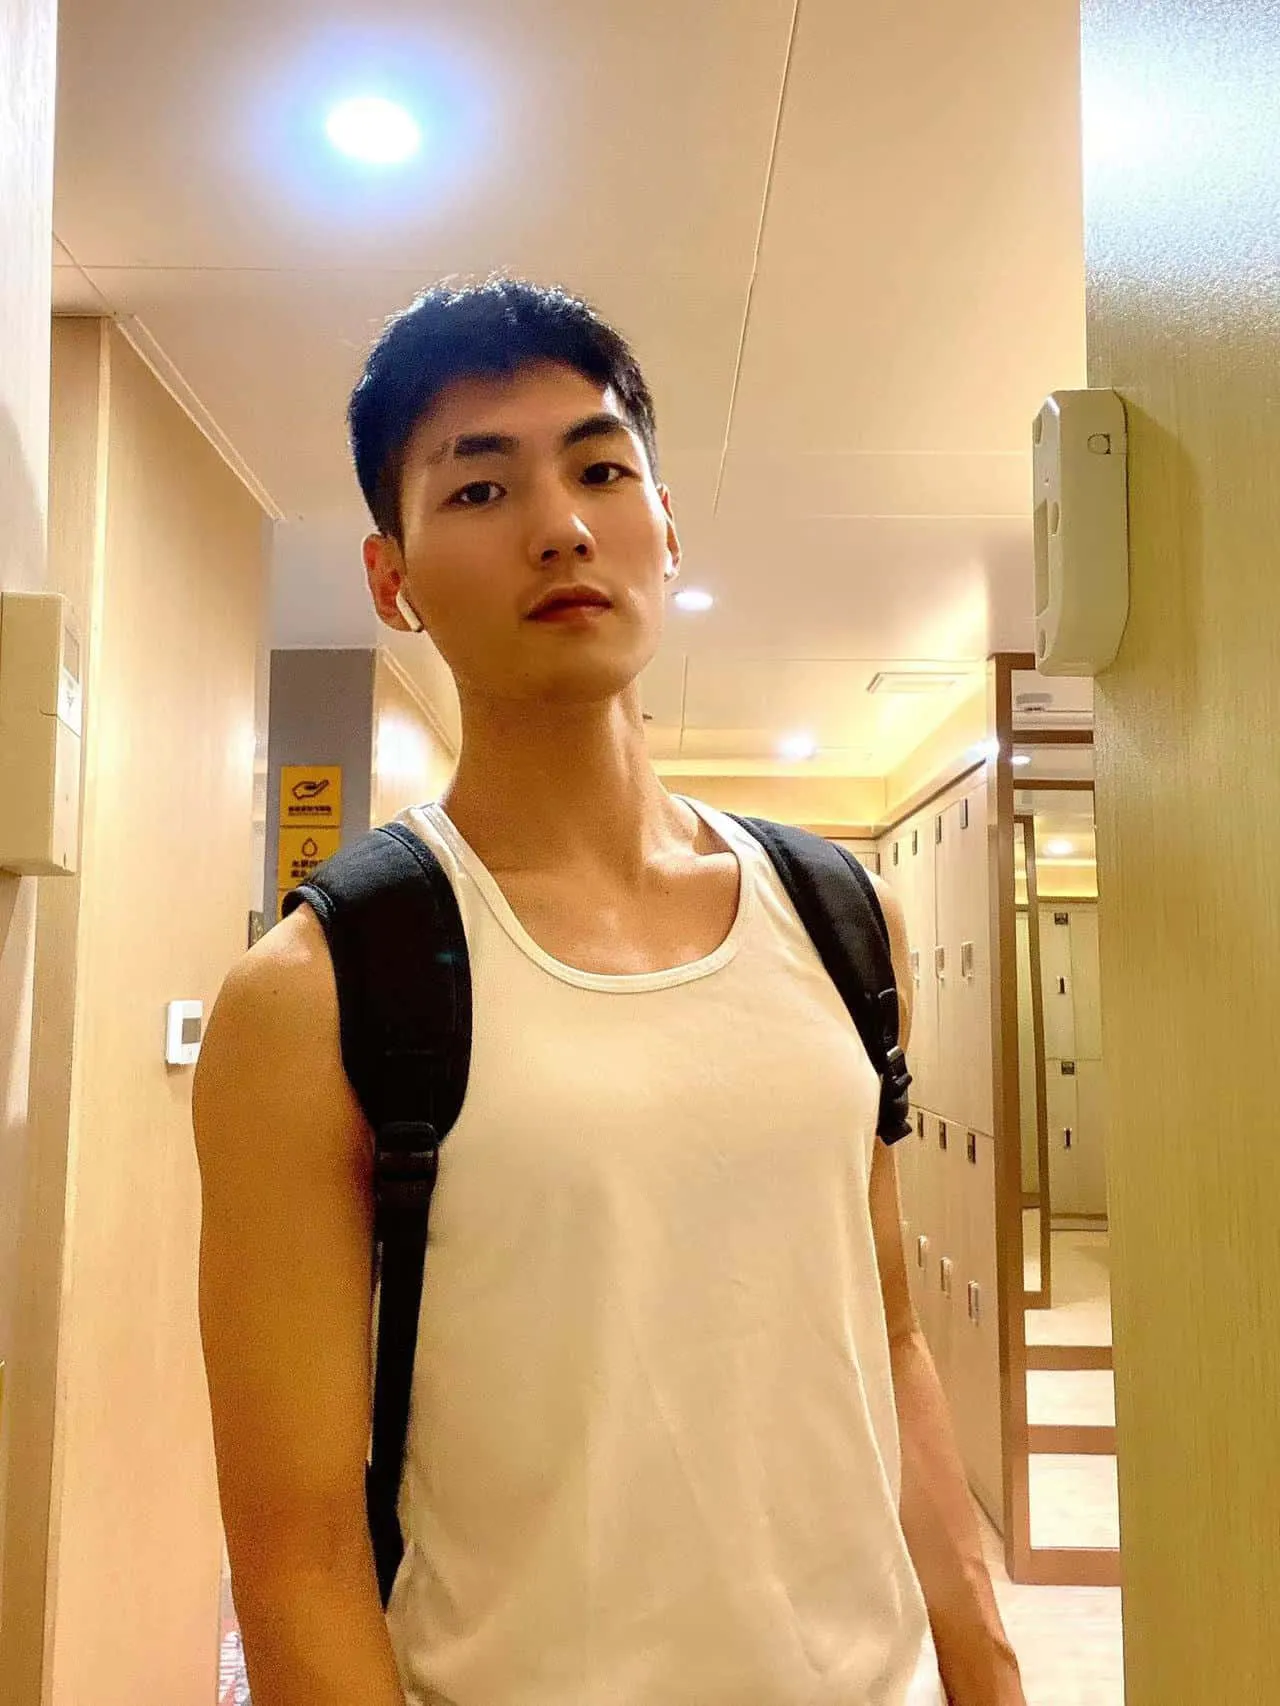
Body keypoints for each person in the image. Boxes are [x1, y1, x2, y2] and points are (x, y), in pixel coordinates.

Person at [193, 278, 1025, 1706]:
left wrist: (988, 1666)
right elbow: (296, 1556)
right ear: (392, 580)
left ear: (665, 525)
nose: (560, 526)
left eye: (599, 470)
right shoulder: (318, 993)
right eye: (479, 488)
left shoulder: (844, 920)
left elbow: (888, 1339)